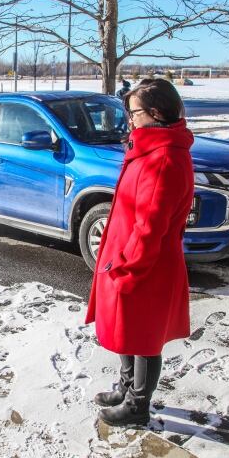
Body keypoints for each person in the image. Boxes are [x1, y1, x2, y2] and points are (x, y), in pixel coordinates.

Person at [85, 78, 194, 427]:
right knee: (128, 329)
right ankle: (126, 386)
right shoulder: (150, 149)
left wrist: (128, 267)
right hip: (128, 257)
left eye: (133, 113)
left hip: (146, 265)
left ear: (156, 113)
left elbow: (150, 226)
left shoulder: (163, 159)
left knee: (145, 337)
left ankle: (137, 405)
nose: (129, 119)